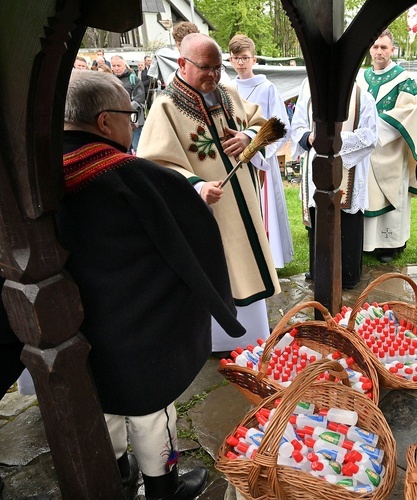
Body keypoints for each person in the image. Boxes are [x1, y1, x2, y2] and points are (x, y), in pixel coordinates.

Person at [59, 70, 244, 499]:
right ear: (105, 122)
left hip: (71, 326)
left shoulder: (33, 174)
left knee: (96, 404)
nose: (133, 123)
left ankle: (116, 477)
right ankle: (164, 488)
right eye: (130, 114)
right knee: (150, 410)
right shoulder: (134, 176)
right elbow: (196, 243)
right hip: (139, 326)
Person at [138, 33, 280, 353]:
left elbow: (264, 123)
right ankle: (219, 342)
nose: (214, 76)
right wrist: (198, 186)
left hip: (243, 200)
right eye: (206, 68)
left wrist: (247, 137)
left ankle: (253, 333)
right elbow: (154, 164)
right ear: (182, 64)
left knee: (247, 262)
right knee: (219, 267)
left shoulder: (227, 92)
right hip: (206, 211)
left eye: (218, 67)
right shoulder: (165, 107)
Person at [291, 78, 377, 288]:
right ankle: (318, 269)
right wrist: (310, 138)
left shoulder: (362, 95)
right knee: (319, 214)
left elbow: (369, 135)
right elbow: (298, 125)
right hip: (316, 164)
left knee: (346, 220)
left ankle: (347, 276)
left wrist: (334, 140)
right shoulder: (310, 89)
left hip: (348, 169)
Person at [356, 29, 417, 263]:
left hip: (391, 148)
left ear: (392, 49)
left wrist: (375, 128)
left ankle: (390, 244)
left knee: (392, 194)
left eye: (383, 47)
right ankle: (367, 242)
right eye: (375, 47)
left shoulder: (404, 79)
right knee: (364, 194)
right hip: (364, 150)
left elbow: (409, 112)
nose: (378, 52)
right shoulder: (360, 78)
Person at [229, 34, 293, 269]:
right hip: (235, 155)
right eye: (236, 58)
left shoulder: (266, 88)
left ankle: (270, 256)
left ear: (254, 59)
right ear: (230, 60)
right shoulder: (227, 88)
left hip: (262, 156)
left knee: (264, 207)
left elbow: (280, 125)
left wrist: (262, 150)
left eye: (245, 57)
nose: (241, 63)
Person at [111, 55, 146, 153]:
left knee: (137, 149)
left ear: (124, 65)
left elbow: (139, 99)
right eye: (114, 65)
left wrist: (123, 110)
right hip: (117, 123)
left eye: (119, 65)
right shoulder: (110, 80)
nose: (116, 68)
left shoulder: (134, 79)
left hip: (134, 122)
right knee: (123, 150)